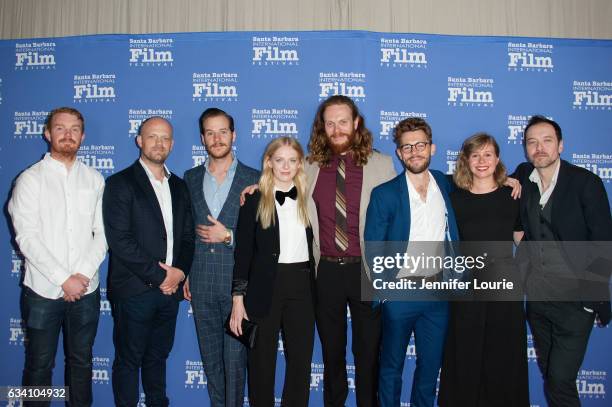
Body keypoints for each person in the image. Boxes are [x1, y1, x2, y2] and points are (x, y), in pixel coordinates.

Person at [8, 107, 107, 407]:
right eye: (60, 128)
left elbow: (102, 234)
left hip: (86, 291)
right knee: (39, 367)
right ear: (47, 133)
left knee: (82, 365)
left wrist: (81, 276)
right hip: (42, 291)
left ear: (83, 135)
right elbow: (26, 237)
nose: (68, 135)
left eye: (75, 129)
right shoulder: (29, 180)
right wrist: (64, 279)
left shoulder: (94, 179)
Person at [512, 115, 612, 407]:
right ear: (526, 148)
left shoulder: (586, 183)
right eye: (532, 142)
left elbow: (603, 243)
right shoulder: (523, 176)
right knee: (550, 374)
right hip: (539, 300)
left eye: (546, 141)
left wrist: (591, 297)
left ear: (561, 145)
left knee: (559, 378)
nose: (539, 148)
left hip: (575, 302)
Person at [306, 95, 396, 407]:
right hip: (326, 269)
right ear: (323, 127)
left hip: (365, 270)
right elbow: (276, 190)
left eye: (343, 121)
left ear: (356, 123)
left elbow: (408, 201)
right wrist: (253, 190)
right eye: (330, 123)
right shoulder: (309, 167)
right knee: (332, 354)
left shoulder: (382, 164)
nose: (336, 128)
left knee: (368, 353)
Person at [364, 117, 459, 407]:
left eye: (420, 145)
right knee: (391, 368)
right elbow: (373, 248)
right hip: (400, 292)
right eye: (407, 147)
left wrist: (505, 179)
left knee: (430, 368)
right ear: (399, 153)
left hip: (437, 293)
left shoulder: (446, 184)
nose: (414, 151)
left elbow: (482, 184)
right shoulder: (384, 194)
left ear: (432, 148)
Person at [103, 116, 195, 407]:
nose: (159, 143)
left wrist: (179, 273)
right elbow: (121, 241)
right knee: (129, 361)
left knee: (158, 357)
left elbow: (189, 238)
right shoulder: (119, 183)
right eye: (152, 137)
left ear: (172, 144)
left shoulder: (180, 187)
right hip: (135, 291)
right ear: (139, 141)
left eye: (165, 138)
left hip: (170, 293)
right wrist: (162, 277)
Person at [438, 133, 529, 407]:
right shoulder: (454, 200)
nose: (481, 161)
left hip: (504, 290)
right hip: (467, 290)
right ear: (466, 159)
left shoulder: (512, 195)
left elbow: (522, 241)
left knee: (504, 357)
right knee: (465, 355)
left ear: (497, 159)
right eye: (475, 155)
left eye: (488, 154)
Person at [229, 136, 316, 406]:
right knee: (261, 364)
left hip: (303, 286)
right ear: (269, 162)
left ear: (301, 163)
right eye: (279, 160)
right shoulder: (254, 199)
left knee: (300, 364)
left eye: (292, 160)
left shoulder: (309, 197)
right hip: (264, 286)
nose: (286, 166)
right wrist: (238, 298)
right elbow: (243, 253)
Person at [183, 108, 259, 407]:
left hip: (237, 286)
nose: (217, 138)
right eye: (210, 133)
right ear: (202, 138)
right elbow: (186, 233)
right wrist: (187, 271)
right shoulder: (189, 178)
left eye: (223, 132)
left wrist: (228, 236)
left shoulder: (255, 178)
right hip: (201, 284)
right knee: (211, 363)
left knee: (235, 363)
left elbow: (266, 239)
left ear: (233, 135)